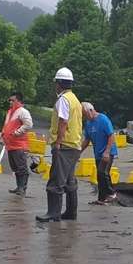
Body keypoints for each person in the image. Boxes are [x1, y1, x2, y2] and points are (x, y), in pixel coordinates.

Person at [36, 67, 82, 222]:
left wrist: (58, 142)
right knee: (70, 180)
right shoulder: (75, 99)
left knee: (56, 180)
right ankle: (71, 213)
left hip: (64, 145)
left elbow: (63, 121)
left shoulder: (63, 100)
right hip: (74, 145)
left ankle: (53, 213)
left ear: (59, 83)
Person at [81, 102, 118, 204]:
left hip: (107, 151)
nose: (85, 117)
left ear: (91, 110)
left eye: (85, 114)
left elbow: (111, 136)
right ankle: (101, 199)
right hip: (98, 153)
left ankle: (112, 193)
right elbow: (87, 139)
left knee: (102, 172)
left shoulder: (103, 119)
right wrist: (78, 151)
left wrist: (107, 152)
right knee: (99, 175)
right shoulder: (88, 123)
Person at [0, 92, 33, 196]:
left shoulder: (23, 112)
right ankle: (19, 187)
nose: (10, 102)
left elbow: (29, 124)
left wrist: (17, 132)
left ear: (18, 101)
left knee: (21, 167)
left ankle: (22, 188)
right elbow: (7, 125)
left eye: (12, 100)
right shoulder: (10, 112)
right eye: (9, 100)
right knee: (15, 167)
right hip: (11, 144)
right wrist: (3, 134)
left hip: (19, 144)